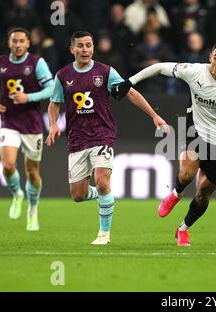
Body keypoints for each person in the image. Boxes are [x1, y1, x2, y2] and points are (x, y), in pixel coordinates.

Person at [112, 41, 216, 246]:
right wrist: (130, 81)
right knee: (187, 173)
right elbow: (158, 68)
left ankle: (183, 229)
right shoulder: (193, 71)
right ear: (210, 56)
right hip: (196, 129)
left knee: (203, 194)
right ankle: (176, 193)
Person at [45, 31, 168, 245]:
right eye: (80, 46)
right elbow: (54, 102)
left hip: (102, 134)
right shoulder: (63, 75)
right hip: (76, 138)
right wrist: (53, 124)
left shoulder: (105, 72)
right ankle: (106, 195)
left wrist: (154, 115)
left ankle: (104, 233)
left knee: (102, 180)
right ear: (72, 49)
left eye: (89, 45)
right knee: (78, 195)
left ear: (93, 48)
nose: (85, 50)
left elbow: (129, 92)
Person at [0, 27, 54, 231]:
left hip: (32, 123)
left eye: (21, 41)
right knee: (7, 165)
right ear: (9, 43)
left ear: (27, 43)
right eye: (14, 41)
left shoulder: (36, 63)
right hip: (9, 120)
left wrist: (29, 97)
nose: (17, 45)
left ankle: (33, 209)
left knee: (32, 172)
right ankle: (17, 194)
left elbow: (51, 88)